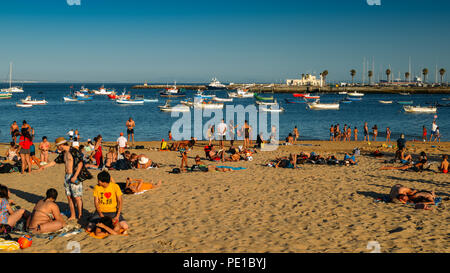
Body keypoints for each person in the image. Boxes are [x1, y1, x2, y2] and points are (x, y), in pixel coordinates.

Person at [39, 137, 91, 221]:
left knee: (77, 197)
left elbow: (80, 164)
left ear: (61, 145)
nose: (57, 148)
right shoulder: (63, 153)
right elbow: (54, 162)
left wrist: (75, 176)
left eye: (57, 146)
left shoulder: (73, 151)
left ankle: (80, 215)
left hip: (74, 175)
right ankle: (73, 215)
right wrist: (44, 167)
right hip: (67, 177)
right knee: (69, 197)